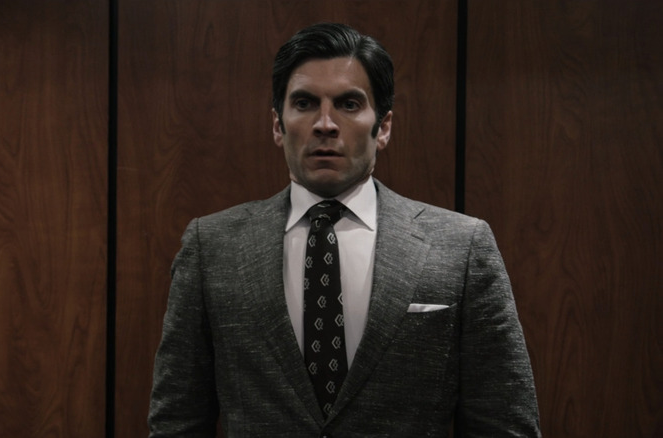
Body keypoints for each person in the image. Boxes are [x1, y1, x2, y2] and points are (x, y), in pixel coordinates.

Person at [148, 22, 541, 437]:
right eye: (303, 103)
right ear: (278, 126)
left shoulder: (461, 248)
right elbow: (178, 421)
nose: (325, 124)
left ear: (383, 126)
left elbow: (504, 422)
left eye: (349, 104)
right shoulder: (212, 248)